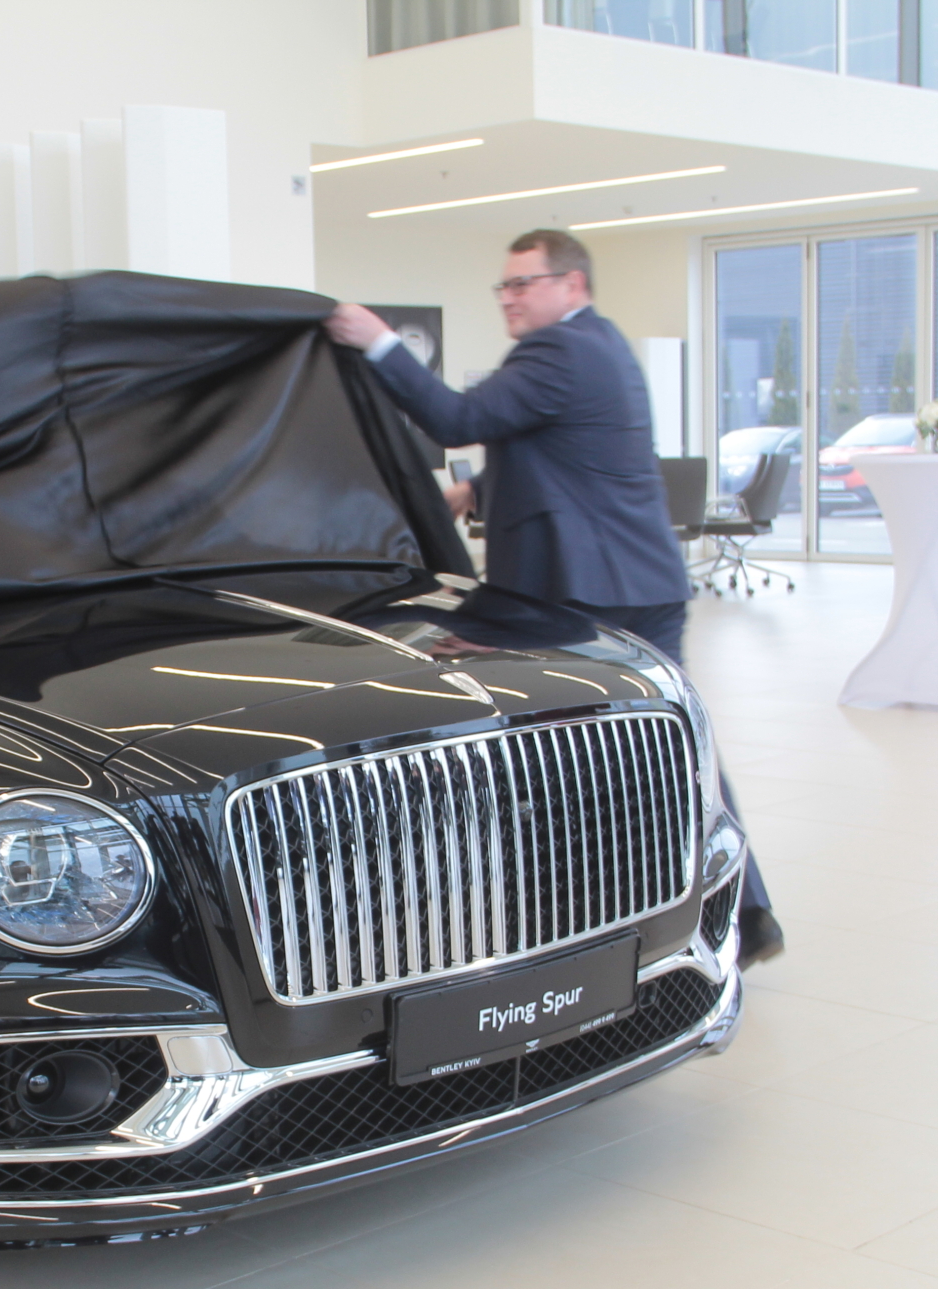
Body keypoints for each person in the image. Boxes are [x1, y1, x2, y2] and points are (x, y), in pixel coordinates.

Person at [323, 228, 785, 966]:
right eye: (503, 286)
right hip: (629, 580)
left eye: (523, 283)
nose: (509, 298)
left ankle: (646, 911)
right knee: (668, 753)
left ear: (572, 284)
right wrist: (477, 489)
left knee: (616, 758)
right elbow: (568, 447)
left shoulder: (558, 349)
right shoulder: (599, 343)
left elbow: (458, 419)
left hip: (590, 591)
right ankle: (745, 912)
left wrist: (378, 341)